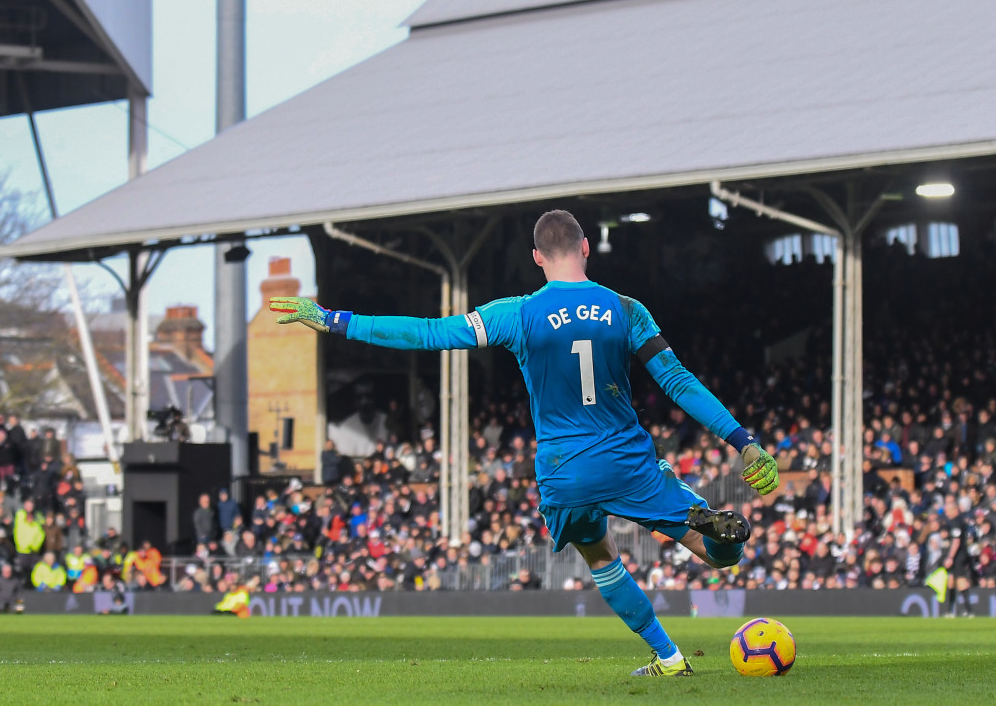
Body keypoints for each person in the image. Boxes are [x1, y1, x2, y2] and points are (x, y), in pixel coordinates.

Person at [270, 209, 779, 677]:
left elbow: (428, 333)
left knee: (599, 556)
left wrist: (334, 319)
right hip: (626, 460)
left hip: (563, 471)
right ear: (585, 247)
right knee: (720, 556)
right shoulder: (626, 309)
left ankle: (668, 657)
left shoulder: (516, 313)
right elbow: (677, 381)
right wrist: (743, 441)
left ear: (537, 257)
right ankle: (714, 529)